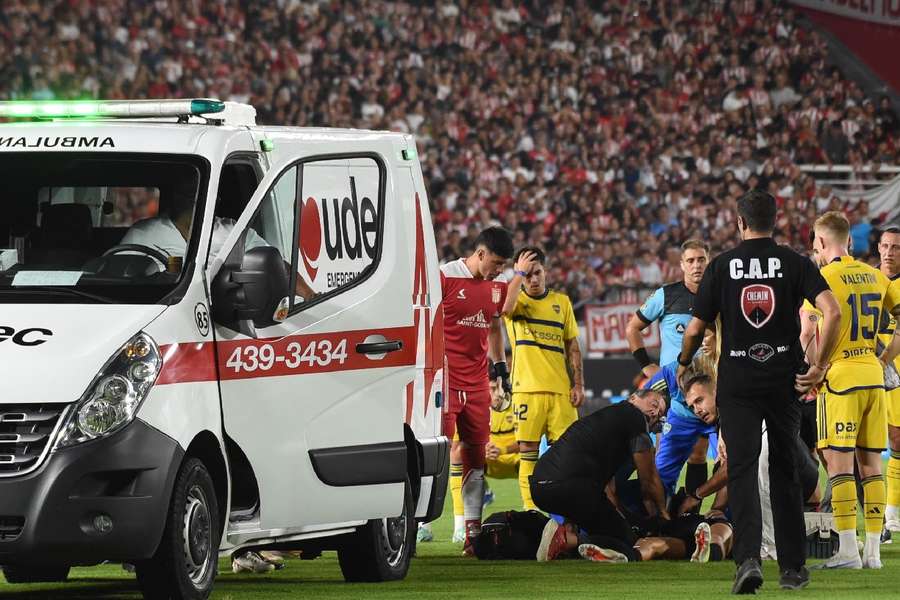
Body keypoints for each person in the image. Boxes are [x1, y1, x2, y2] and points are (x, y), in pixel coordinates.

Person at [677, 189, 840, 594]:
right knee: (784, 471)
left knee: (744, 471)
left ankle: (748, 560)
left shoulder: (721, 266)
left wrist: (683, 360)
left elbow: (696, 329)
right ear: (776, 220)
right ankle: (792, 568)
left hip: (738, 384)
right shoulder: (794, 263)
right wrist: (817, 367)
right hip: (783, 381)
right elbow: (833, 310)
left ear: (740, 222)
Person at [801, 212, 900, 570]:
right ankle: (872, 553)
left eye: (815, 244)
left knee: (840, 468)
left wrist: (815, 369)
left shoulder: (821, 278)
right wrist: (886, 357)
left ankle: (846, 551)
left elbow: (806, 334)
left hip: (841, 381)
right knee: (873, 466)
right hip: (875, 379)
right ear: (851, 242)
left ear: (823, 243)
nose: (814, 250)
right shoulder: (876, 277)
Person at [439, 226, 514, 554]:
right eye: (496, 263)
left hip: (477, 384)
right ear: (479, 254)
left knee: (476, 457)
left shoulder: (497, 285)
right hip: (443, 383)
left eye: (503, 266)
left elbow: (495, 325)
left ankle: (472, 535)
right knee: (438, 456)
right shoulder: (442, 278)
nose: (500, 271)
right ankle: (411, 529)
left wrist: (500, 370)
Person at [529, 389, 668, 563]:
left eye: (660, 414)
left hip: (540, 488)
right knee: (627, 543)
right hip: (571, 487)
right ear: (632, 398)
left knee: (606, 524)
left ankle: (566, 533)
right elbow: (649, 479)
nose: (655, 413)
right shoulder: (634, 417)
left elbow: (608, 491)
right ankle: (567, 540)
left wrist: (623, 518)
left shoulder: (605, 423)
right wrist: (663, 516)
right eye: (654, 405)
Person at [122, 180, 315, 300]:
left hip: (227, 316)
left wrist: (307, 294)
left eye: (199, 192)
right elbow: (123, 275)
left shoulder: (232, 229)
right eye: (188, 192)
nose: (194, 198)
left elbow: (277, 265)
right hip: (169, 310)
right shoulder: (145, 232)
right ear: (175, 197)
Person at [627, 240, 712, 504]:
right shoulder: (667, 295)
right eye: (691, 261)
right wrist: (646, 365)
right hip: (676, 395)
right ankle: (662, 516)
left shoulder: (718, 295)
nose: (696, 265)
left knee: (703, 456)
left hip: (714, 395)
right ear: (682, 265)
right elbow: (633, 328)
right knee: (666, 458)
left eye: (701, 260)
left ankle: (699, 514)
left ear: (708, 262)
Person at [501, 246, 584, 510]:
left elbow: (573, 347)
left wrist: (578, 384)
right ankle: (531, 510)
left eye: (537, 273)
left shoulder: (562, 302)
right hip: (526, 391)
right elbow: (504, 308)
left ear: (545, 271)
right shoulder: (517, 301)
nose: (533, 280)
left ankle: (565, 509)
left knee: (569, 454)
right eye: (527, 276)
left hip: (561, 392)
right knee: (528, 452)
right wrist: (518, 274)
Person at [643, 327, 719, 497]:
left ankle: (720, 516)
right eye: (702, 337)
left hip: (720, 417)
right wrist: (658, 429)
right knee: (662, 471)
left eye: (708, 336)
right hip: (682, 419)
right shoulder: (675, 369)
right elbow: (643, 399)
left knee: (726, 465)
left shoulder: (731, 362)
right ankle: (661, 515)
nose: (704, 342)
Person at [876, 226, 900, 534]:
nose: (889, 252)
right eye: (885, 245)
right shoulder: (869, 280)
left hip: (895, 371)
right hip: (866, 369)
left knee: (896, 440)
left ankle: (892, 513)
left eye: (895, 247)